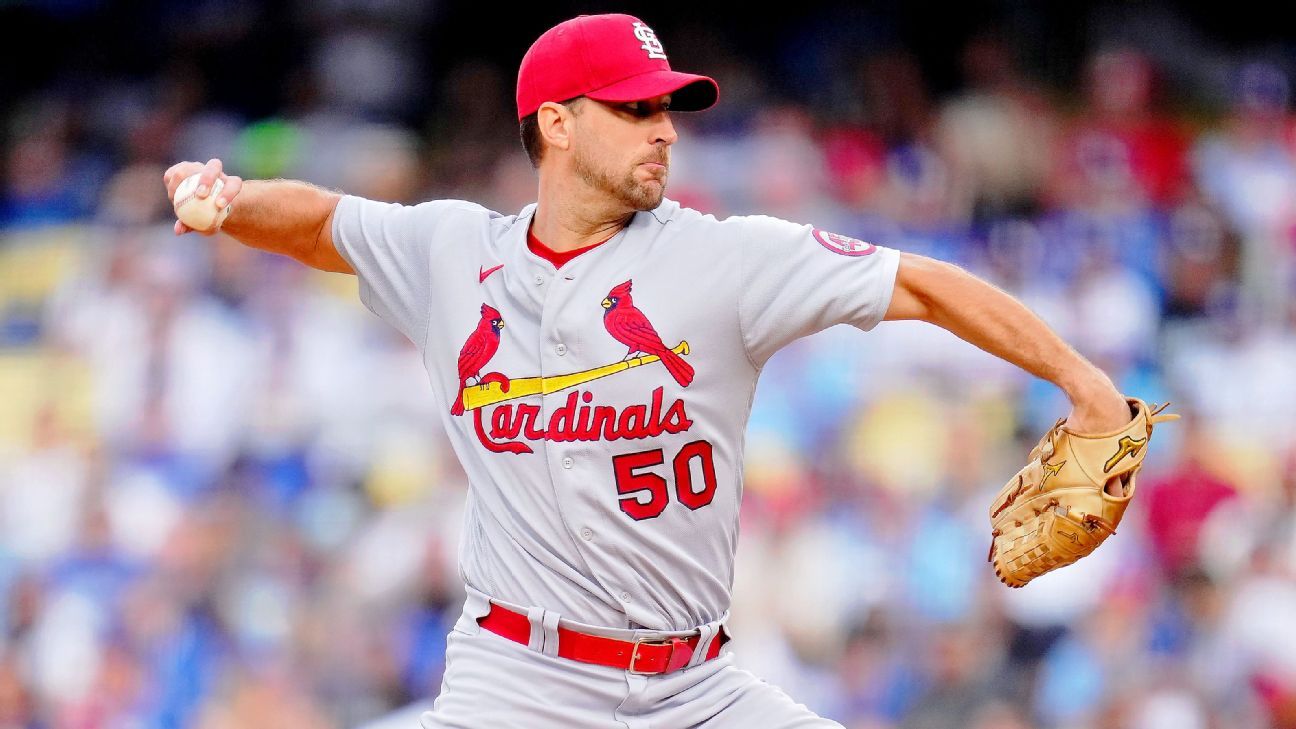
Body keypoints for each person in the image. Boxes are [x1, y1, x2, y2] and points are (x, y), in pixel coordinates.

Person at [162, 13, 1132, 728]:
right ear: (556, 125)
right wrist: (231, 198)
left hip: (695, 688)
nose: (664, 128)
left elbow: (921, 284)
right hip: (516, 684)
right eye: (633, 110)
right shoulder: (451, 253)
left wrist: (1083, 383)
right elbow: (326, 223)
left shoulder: (724, 258)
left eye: (667, 107)